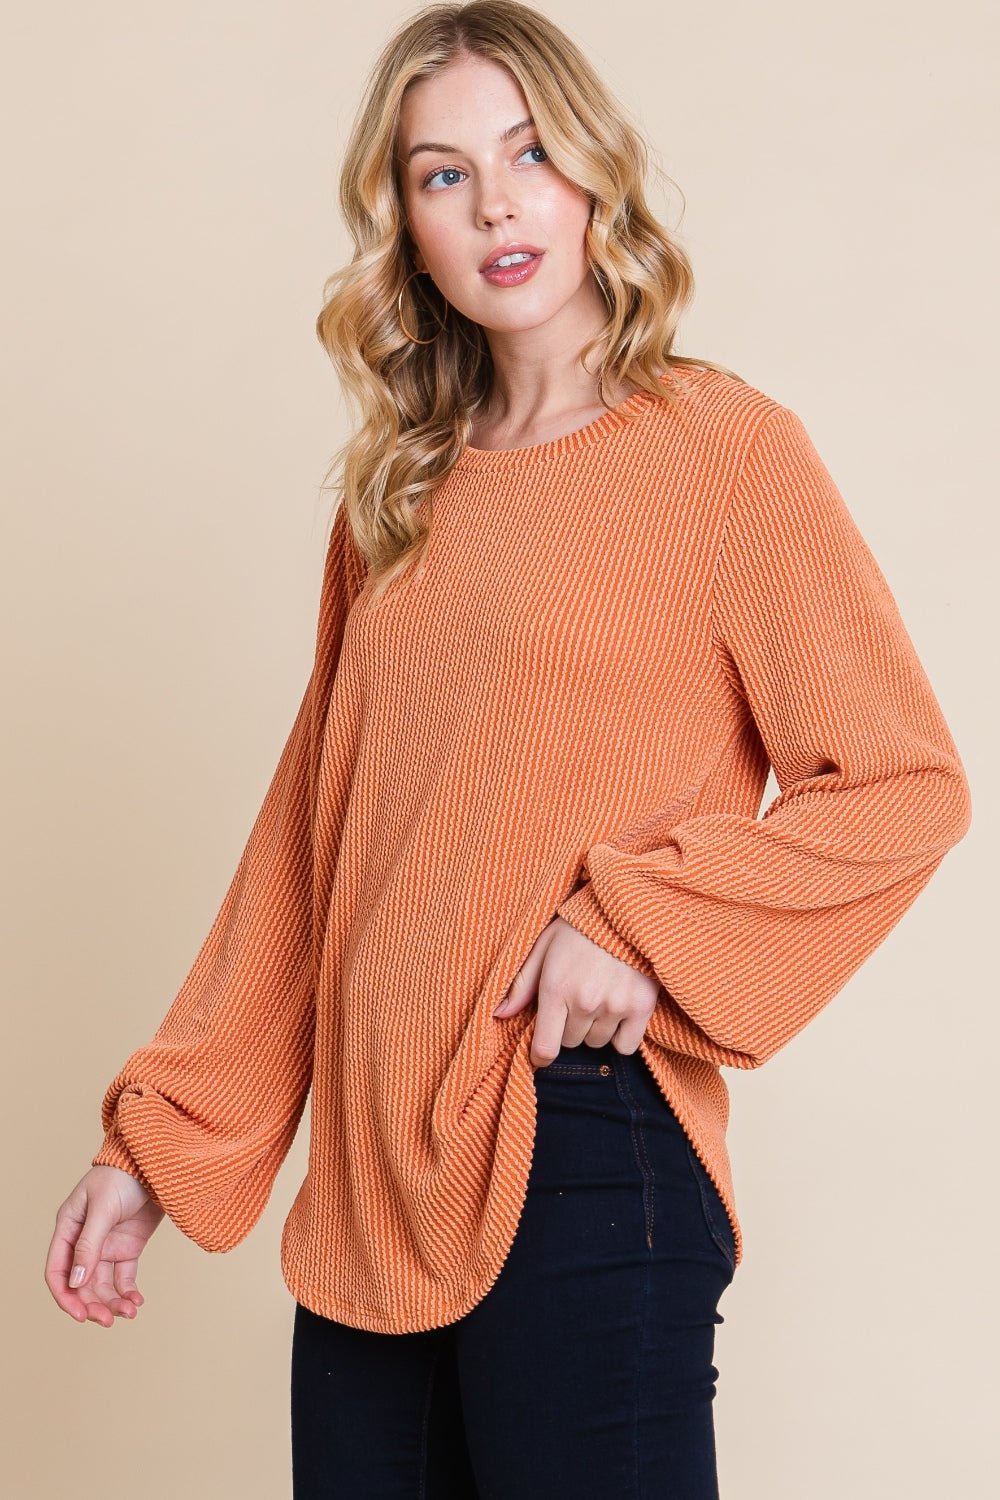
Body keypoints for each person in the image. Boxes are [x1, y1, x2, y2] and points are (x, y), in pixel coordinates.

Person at [45, 3, 973, 1496]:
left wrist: (638, 921)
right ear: (407, 229)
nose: (495, 205)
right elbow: (312, 847)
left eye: (530, 152)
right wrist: (161, 1144)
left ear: (594, 171)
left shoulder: (723, 451)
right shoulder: (398, 499)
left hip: (579, 1127)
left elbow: (902, 786)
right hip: (368, 1181)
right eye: (444, 173)